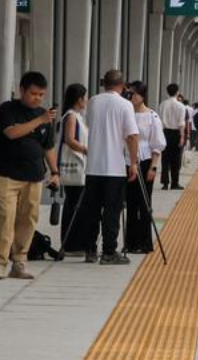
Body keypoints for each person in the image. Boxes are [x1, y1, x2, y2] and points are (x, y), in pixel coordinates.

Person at [0, 71, 59, 280]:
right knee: (6, 217)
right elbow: (12, 133)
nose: (38, 98)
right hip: (8, 174)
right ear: (22, 90)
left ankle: (19, 261)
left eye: (41, 95)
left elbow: (48, 147)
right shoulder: (7, 109)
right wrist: (40, 120)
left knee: (28, 218)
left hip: (34, 175)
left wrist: (55, 172)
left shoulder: (45, 116)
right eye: (34, 94)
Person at [80, 70, 140, 265]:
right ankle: (108, 252)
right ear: (122, 86)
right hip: (114, 168)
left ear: (104, 84)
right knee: (112, 212)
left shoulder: (93, 101)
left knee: (92, 211)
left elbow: (88, 125)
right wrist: (134, 162)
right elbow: (132, 136)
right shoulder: (125, 105)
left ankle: (90, 250)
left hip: (93, 167)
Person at [125, 82, 166, 253]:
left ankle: (145, 242)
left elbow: (157, 144)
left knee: (144, 203)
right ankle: (130, 242)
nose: (132, 97)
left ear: (143, 95)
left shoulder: (152, 116)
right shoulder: (126, 114)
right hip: (127, 161)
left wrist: (153, 168)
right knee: (130, 203)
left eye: (134, 94)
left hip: (145, 161)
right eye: (129, 94)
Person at [57, 83, 90, 255]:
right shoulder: (71, 116)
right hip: (76, 165)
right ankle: (71, 244)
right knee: (75, 205)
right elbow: (69, 140)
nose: (87, 100)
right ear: (79, 99)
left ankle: (74, 243)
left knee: (76, 204)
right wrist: (86, 150)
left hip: (79, 165)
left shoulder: (77, 116)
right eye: (85, 97)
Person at [158, 83, 186, 190]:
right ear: (177, 92)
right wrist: (182, 137)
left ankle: (165, 183)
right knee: (176, 159)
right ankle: (175, 183)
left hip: (165, 133)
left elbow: (159, 120)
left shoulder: (162, 104)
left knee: (165, 158)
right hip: (176, 133)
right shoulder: (181, 106)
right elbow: (181, 123)